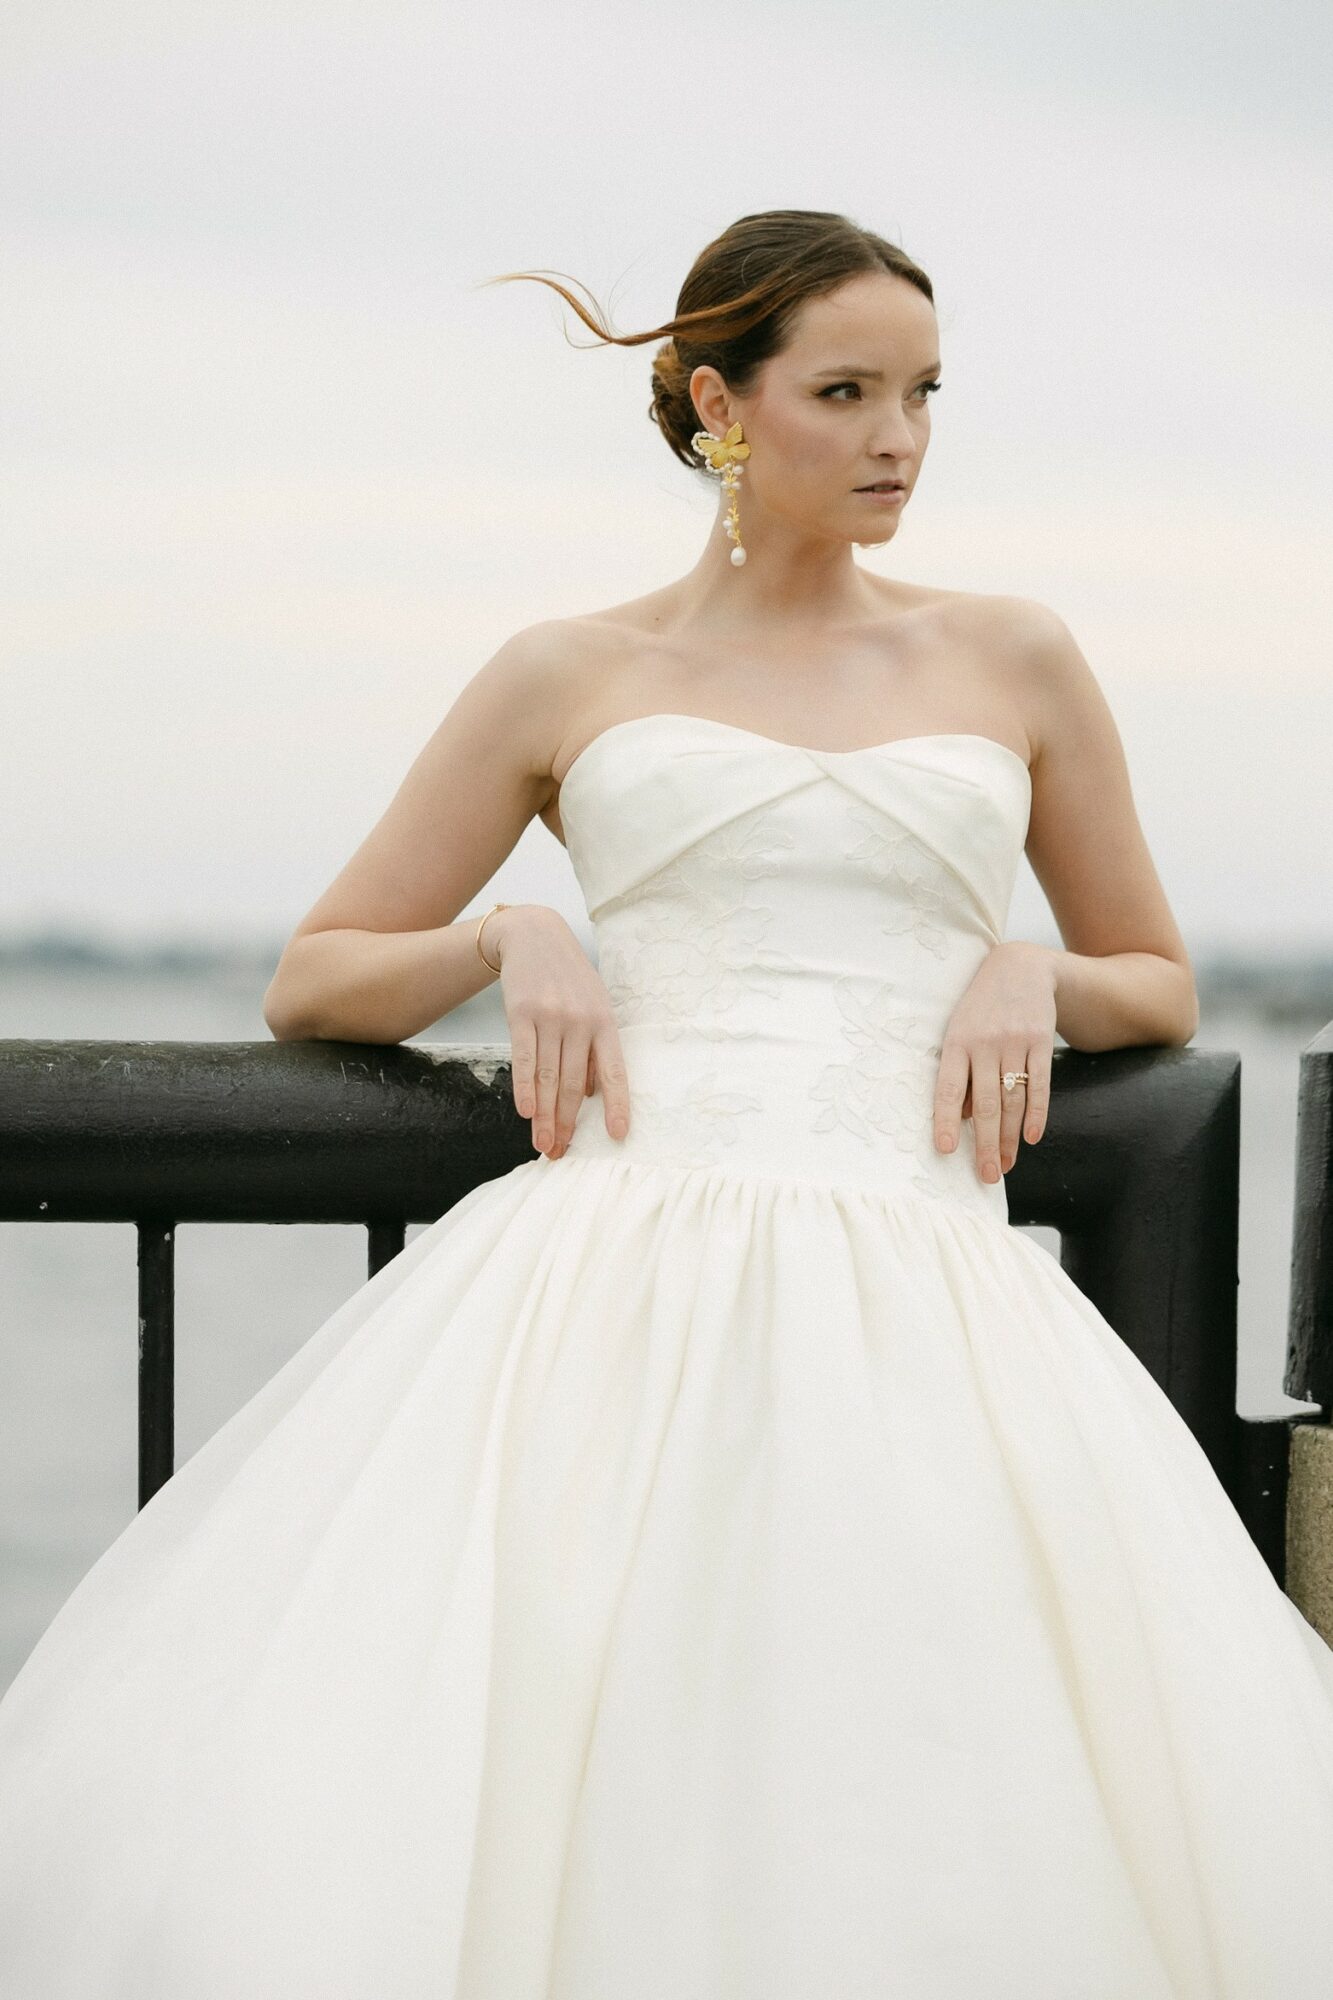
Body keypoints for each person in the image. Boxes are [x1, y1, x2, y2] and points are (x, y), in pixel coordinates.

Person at [1, 207, 1332, 1999]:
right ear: (720, 403)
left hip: (926, 1275)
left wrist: (1026, 971)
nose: (897, 441)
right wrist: (508, 933)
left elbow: (1153, 984)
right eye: (845, 392)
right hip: (603, 1271)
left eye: (926, 396)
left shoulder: (1012, 656)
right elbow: (316, 972)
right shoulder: (571, 670)